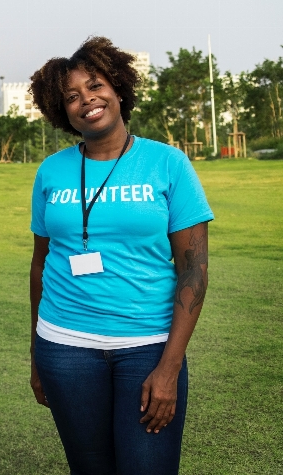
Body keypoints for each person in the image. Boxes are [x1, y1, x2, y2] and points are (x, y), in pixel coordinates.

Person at [27, 36, 214, 475]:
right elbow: (40, 265)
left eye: (95, 86)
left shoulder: (168, 164)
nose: (86, 100)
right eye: (71, 96)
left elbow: (193, 271)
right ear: (61, 109)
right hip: (65, 347)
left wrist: (169, 368)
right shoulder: (50, 171)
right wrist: (37, 354)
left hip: (147, 347)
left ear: (118, 88)